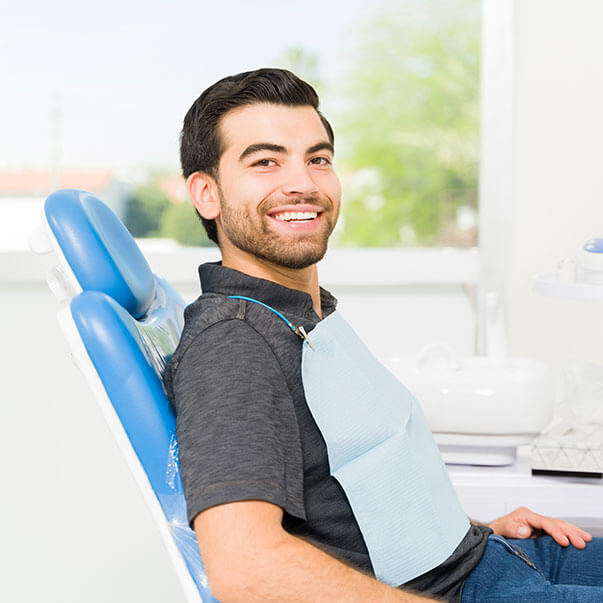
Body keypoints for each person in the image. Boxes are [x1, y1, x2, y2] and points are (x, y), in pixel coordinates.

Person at [164, 68, 603, 602]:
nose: (302, 182)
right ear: (206, 194)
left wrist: (469, 532)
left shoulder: (300, 315)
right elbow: (246, 567)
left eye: (318, 159)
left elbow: (353, 495)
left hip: (493, 556)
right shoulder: (232, 343)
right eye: (265, 162)